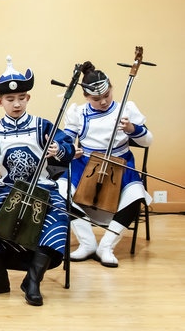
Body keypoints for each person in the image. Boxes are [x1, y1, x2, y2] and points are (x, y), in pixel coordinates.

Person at [0, 57, 75, 306]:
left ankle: (33, 280)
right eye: (10, 99)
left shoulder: (43, 126)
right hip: (7, 189)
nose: (16, 104)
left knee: (58, 218)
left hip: (43, 189)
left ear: (28, 98)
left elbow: (68, 148)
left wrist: (58, 149)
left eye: (21, 98)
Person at [59, 60, 153, 267]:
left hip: (120, 164)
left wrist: (132, 129)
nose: (103, 102)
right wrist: (70, 150)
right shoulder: (78, 113)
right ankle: (87, 243)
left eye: (106, 95)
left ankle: (106, 246)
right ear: (86, 97)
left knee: (136, 196)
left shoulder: (126, 109)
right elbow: (66, 140)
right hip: (86, 164)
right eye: (96, 99)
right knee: (60, 191)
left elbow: (148, 141)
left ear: (111, 89)